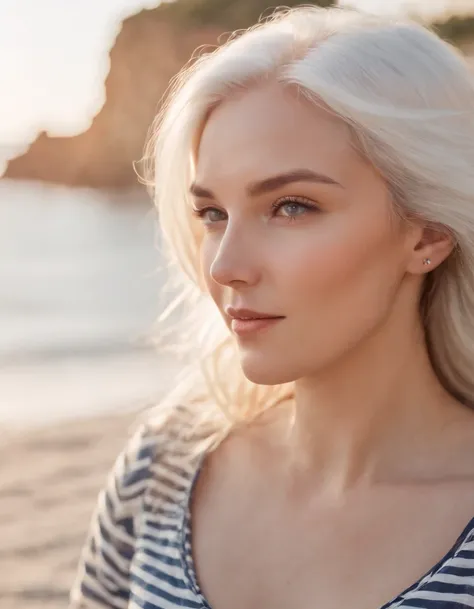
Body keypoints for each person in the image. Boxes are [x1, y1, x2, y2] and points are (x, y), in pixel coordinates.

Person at [69, 6, 474, 609]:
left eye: (291, 206)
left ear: (427, 235)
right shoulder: (163, 466)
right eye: (212, 213)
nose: (225, 266)